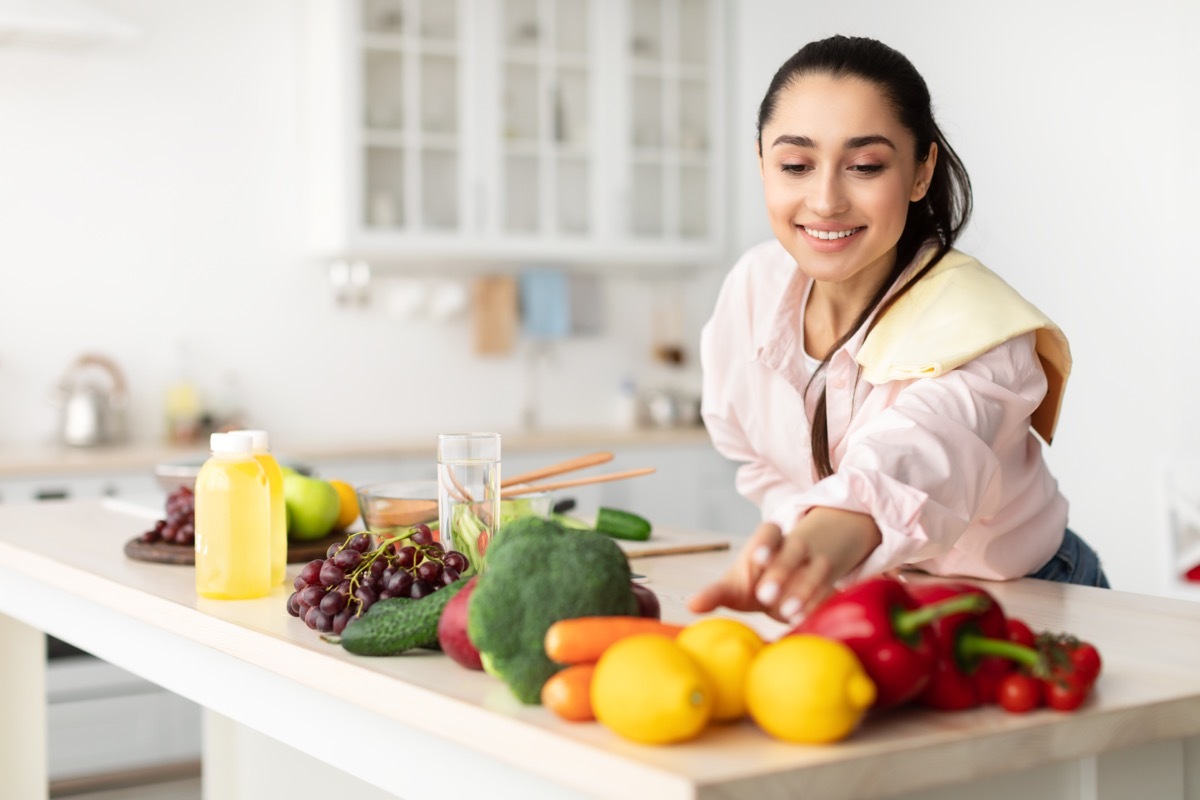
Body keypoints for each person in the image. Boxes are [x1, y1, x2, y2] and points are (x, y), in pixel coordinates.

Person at [688, 35, 1109, 626]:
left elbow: (921, 456)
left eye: (864, 166)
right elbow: (757, 459)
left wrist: (828, 538)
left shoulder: (980, 324)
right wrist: (798, 547)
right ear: (762, 163)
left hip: (1025, 598)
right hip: (875, 599)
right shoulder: (753, 287)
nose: (827, 199)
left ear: (920, 172)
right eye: (795, 165)